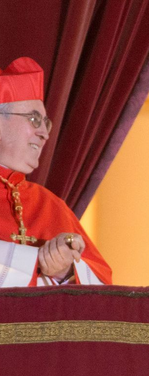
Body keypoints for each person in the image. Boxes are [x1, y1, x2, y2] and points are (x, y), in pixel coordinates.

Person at [0, 57, 111, 287]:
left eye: (46, 123)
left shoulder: (51, 205)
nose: (44, 133)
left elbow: (105, 288)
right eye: (33, 119)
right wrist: (37, 261)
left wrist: (66, 270)